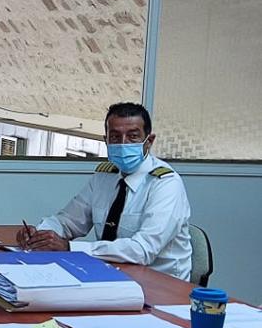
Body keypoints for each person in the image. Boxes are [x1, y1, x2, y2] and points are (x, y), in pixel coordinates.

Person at [16, 102, 192, 280]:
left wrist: (70, 248)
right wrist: (40, 235)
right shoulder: (104, 177)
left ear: (149, 141)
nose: (123, 144)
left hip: (161, 284)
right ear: (105, 140)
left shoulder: (165, 184)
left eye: (133, 136)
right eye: (115, 137)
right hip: (108, 275)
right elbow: (67, 221)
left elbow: (142, 250)